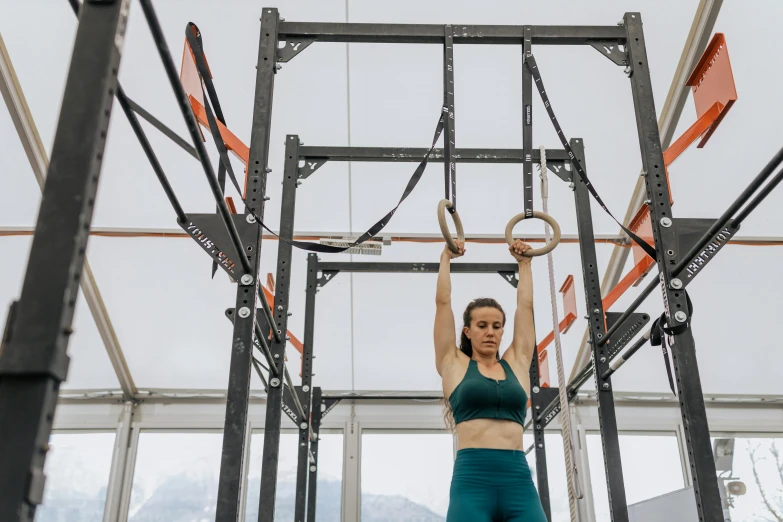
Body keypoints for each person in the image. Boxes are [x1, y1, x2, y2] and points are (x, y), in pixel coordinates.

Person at [434, 238, 547, 522]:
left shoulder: (517, 363)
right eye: (482, 325)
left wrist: (524, 264)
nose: (490, 332)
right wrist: (446, 259)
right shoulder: (453, 363)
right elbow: (442, 303)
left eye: (497, 326)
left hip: (518, 479)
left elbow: (526, 306)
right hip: (472, 480)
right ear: (468, 331)